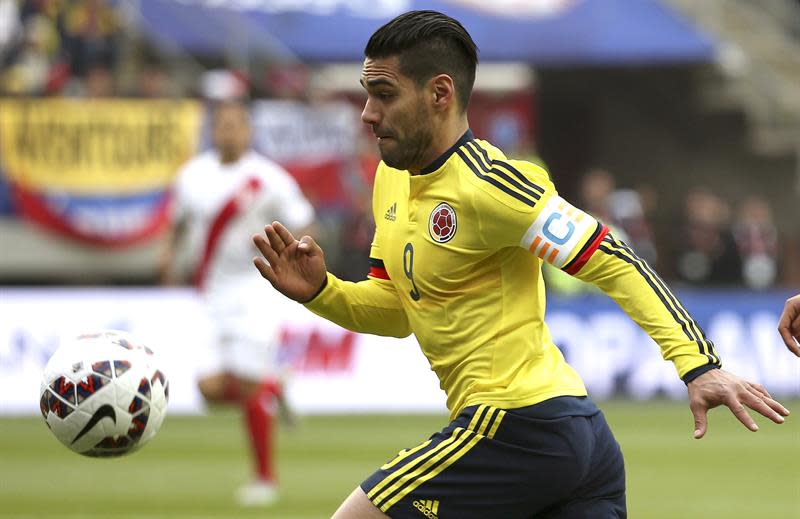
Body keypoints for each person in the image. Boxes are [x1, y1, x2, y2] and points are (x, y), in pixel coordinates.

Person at [251, 11, 791, 519]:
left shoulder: (493, 184)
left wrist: (697, 364)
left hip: (516, 425)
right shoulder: (391, 176)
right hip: (567, 439)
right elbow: (397, 310)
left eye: (384, 95)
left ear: (440, 93)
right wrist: (323, 291)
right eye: (368, 94)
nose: (368, 113)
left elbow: (613, 258)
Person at [162, 100, 314, 506]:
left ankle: (264, 479)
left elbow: (303, 218)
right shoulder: (192, 176)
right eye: (222, 125)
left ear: (248, 131)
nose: (228, 132)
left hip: (254, 288)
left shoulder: (268, 177)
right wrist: (168, 258)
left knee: (246, 384)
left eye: (236, 125)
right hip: (210, 292)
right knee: (208, 389)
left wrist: (299, 258)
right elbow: (177, 223)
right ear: (213, 130)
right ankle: (273, 385)